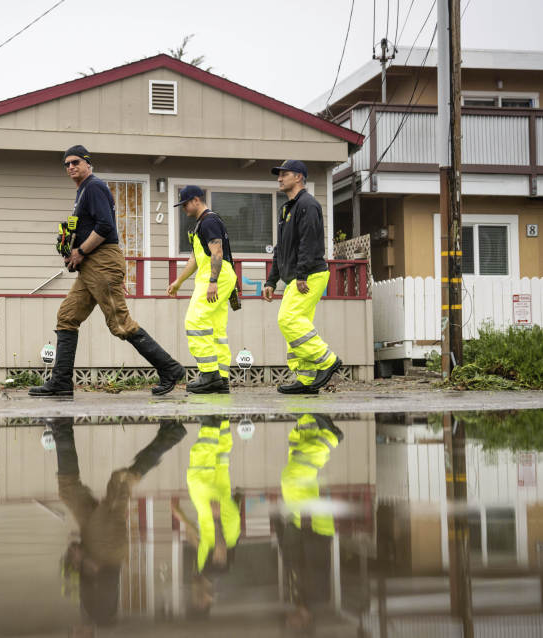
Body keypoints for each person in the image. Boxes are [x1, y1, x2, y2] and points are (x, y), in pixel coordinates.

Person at [29, 145, 185, 397]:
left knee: (120, 324)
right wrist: (71, 244)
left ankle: (170, 369)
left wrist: (81, 253)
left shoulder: (94, 187)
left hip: (100, 261)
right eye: (66, 164)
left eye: (75, 162)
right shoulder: (83, 192)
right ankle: (61, 382)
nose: (70, 167)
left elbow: (104, 226)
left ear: (88, 163)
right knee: (67, 316)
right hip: (93, 266)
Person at [51, 417, 186, 627]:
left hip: (95, 542)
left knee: (69, 490)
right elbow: (108, 580)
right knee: (120, 483)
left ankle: (62, 428)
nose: (75, 634)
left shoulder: (93, 616)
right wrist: (85, 562)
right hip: (105, 548)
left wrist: (80, 560)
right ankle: (170, 437)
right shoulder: (101, 615)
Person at [262, 160, 342, 394]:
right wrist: (271, 280)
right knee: (295, 326)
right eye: (279, 175)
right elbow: (281, 248)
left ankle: (327, 361)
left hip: (310, 275)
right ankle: (306, 379)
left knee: (288, 319)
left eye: (284, 174)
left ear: (299, 177)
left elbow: (310, 241)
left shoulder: (308, 205)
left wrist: (302, 274)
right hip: (295, 277)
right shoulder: (286, 208)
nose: (279, 178)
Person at [274, 413, 343, 630]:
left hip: (299, 524)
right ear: (306, 622)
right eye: (293, 626)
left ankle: (306, 423)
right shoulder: (317, 597)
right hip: (312, 526)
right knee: (293, 476)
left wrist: (281, 526)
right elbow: (315, 560)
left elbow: (291, 560)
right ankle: (331, 438)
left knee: (297, 470)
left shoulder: (299, 599)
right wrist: (305, 527)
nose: (288, 621)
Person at [167, 186, 238, 394]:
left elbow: (217, 251)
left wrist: (213, 281)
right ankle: (221, 378)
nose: (184, 209)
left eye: (185, 204)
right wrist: (178, 282)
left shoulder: (209, 221)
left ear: (196, 200)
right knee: (216, 330)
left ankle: (209, 375)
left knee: (195, 321)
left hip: (216, 276)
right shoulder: (202, 224)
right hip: (218, 276)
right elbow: (195, 259)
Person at [171, 415, 241, 619]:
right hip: (220, 519)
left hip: (223, 519)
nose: (192, 596)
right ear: (203, 602)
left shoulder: (204, 573)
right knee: (196, 477)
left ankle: (222, 415)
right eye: (194, 600)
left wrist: (181, 517)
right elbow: (220, 547)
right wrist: (217, 517)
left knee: (219, 463)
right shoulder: (214, 574)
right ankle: (210, 425)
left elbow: (199, 541)